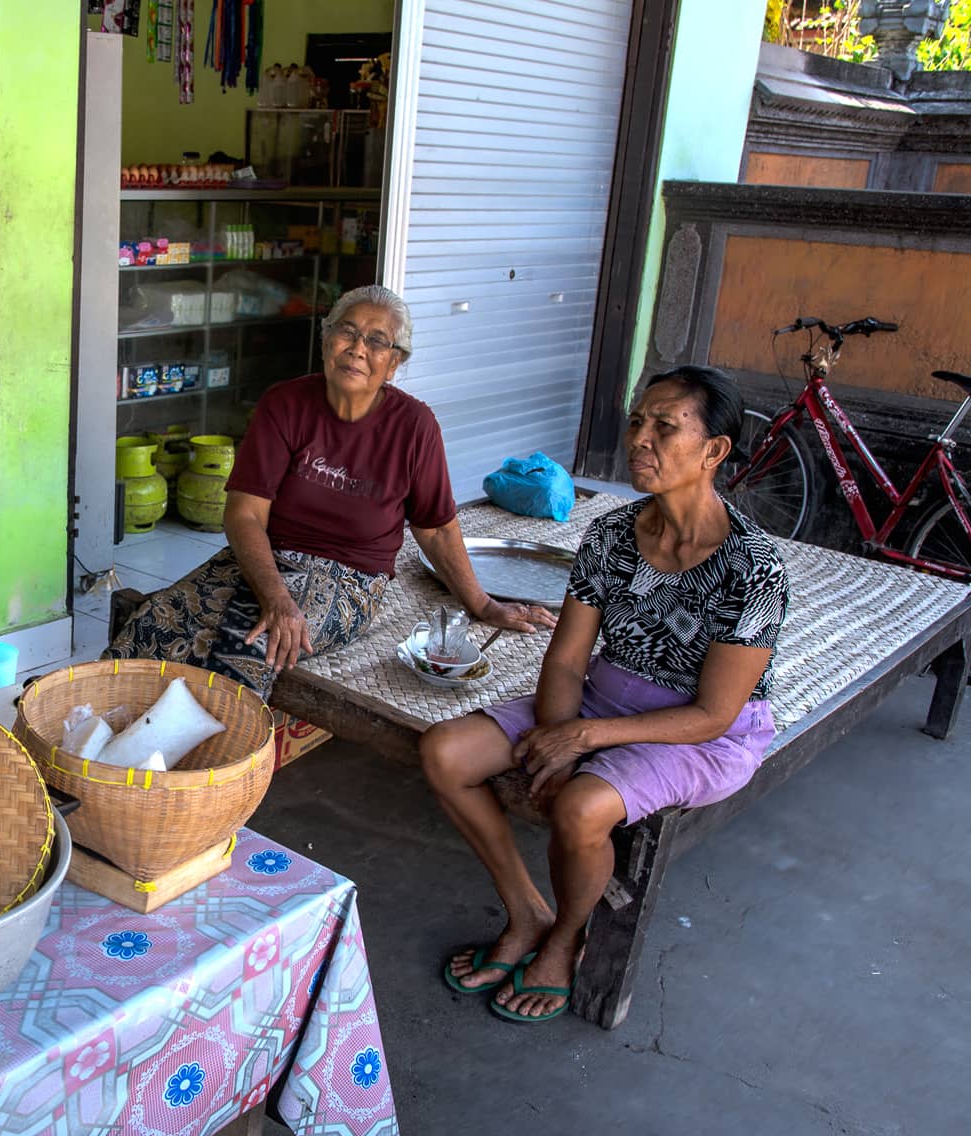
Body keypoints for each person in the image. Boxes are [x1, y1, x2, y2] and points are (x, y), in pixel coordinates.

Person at [422, 366, 789, 1023]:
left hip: (697, 732)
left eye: (665, 427)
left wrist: (583, 741)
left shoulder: (753, 568)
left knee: (583, 808)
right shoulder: (612, 536)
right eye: (637, 421)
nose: (640, 438)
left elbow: (713, 713)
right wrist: (561, 737)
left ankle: (564, 940)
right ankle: (527, 911)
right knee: (445, 751)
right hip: (604, 698)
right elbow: (566, 659)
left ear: (715, 451)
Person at [104, 285, 552, 697]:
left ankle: (205, 774)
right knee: (154, 623)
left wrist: (482, 603)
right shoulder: (285, 405)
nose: (358, 349)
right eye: (348, 332)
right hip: (268, 560)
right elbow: (244, 515)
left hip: (349, 578)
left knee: (247, 648)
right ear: (326, 340)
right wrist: (277, 596)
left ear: (394, 363)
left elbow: (434, 529)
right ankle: (84, 741)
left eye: (377, 341)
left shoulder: (415, 426)